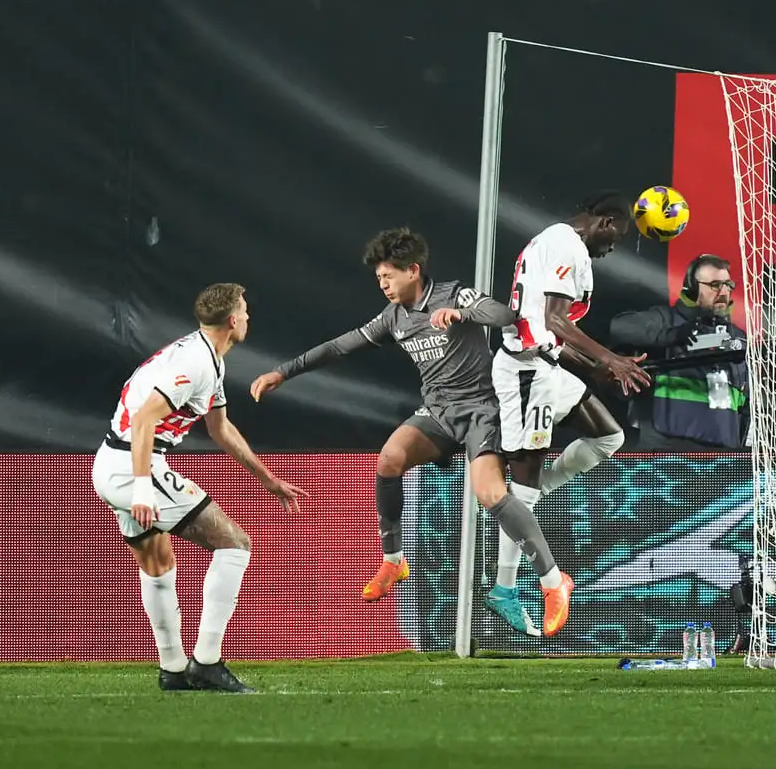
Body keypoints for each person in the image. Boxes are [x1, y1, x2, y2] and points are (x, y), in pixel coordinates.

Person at [249, 228, 575, 637]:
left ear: (413, 271)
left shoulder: (454, 294)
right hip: (437, 413)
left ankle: (552, 581)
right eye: (379, 279)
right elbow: (339, 346)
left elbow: (505, 315)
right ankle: (394, 559)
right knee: (389, 460)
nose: (382, 285)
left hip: (481, 411)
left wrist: (464, 314)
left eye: (388, 276)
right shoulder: (393, 317)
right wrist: (284, 371)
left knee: (491, 494)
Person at [92, 283, 308, 693]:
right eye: (244, 312)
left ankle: (172, 669)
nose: (248, 318)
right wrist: (141, 489)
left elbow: (221, 428)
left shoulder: (208, 357)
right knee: (234, 544)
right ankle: (207, 661)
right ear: (232, 321)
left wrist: (269, 480)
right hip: (133, 464)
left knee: (157, 561)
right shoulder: (196, 363)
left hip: (113, 461)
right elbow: (143, 421)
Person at [486, 192, 651, 636]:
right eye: (618, 236)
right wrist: (610, 359)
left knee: (609, 437)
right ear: (608, 221)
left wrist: (598, 369)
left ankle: (523, 504)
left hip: (547, 366)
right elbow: (557, 321)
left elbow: (549, 330)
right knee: (523, 487)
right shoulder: (566, 244)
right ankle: (505, 587)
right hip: (525, 374)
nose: (613, 247)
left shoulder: (557, 242)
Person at [609, 253, 748, 450]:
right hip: (666, 449)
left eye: (728, 285)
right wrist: (673, 335)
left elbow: (745, 400)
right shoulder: (667, 319)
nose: (724, 291)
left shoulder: (739, 337)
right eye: (715, 285)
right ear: (691, 289)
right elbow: (619, 326)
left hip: (723, 451)